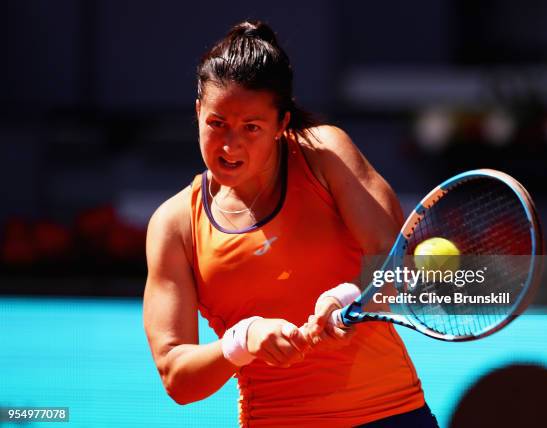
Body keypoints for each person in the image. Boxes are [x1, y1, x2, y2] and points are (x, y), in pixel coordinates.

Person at [143, 20, 438, 427]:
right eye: (216, 124)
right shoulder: (173, 225)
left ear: (282, 124)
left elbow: (393, 261)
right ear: (198, 111)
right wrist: (242, 340)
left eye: (252, 128)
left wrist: (348, 298)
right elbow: (177, 377)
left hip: (389, 415)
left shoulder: (324, 153)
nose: (230, 146)